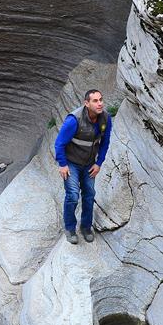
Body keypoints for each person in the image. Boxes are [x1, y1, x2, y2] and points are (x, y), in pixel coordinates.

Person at [54, 89, 112, 244]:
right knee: (73, 195)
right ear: (87, 103)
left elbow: (105, 143)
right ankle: (70, 228)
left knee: (89, 195)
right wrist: (63, 164)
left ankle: (86, 227)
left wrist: (99, 163)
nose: (100, 104)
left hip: (89, 164)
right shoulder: (74, 120)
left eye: (101, 100)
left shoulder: (106, 118)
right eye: (95, 101)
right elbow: (59, 144)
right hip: (71, 164)